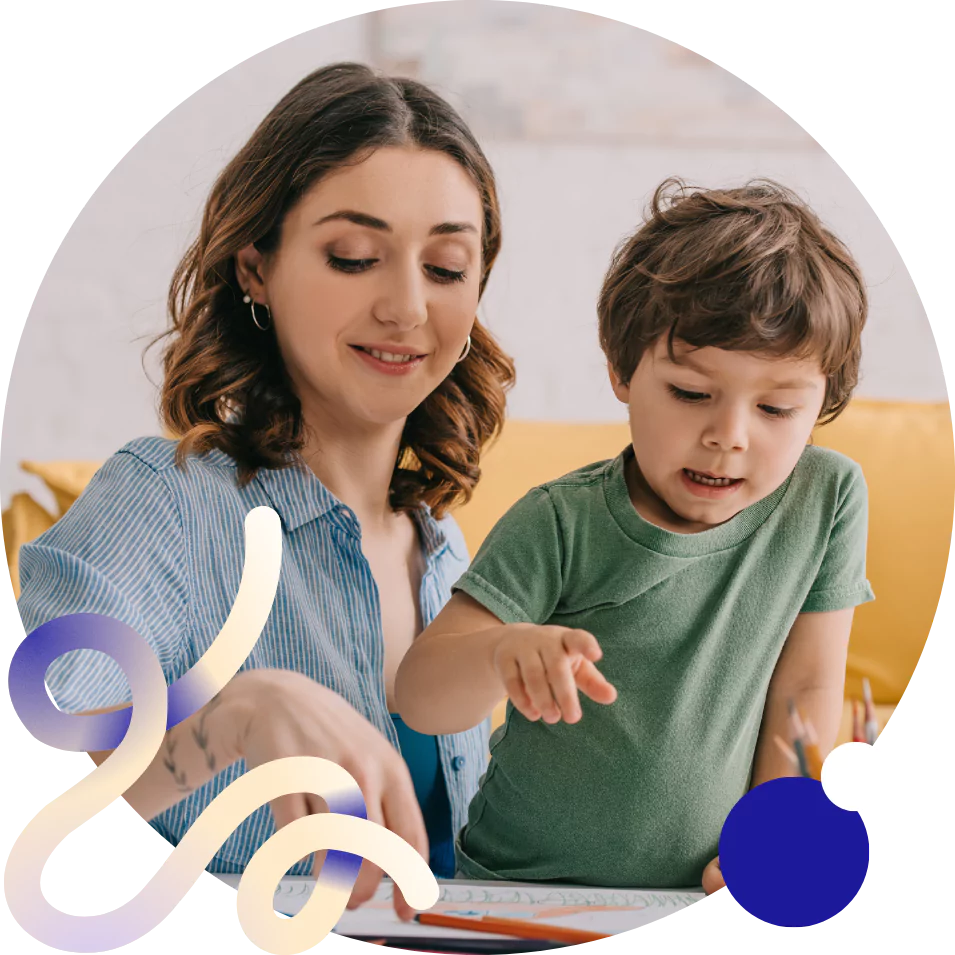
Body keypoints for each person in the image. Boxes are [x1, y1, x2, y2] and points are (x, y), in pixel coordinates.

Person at [16, 62, 515, 918]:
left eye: (445, 267)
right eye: (353, 256)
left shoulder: (446, 552)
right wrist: (241, 712)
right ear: (256, 267)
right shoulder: (165, 503)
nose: (406, 306)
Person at [395, 178, 874, 894]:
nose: (728, 437)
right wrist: (502, 653)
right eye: (690, 393)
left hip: (698, 889)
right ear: (621, 370)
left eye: (776, 407)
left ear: (822, 401)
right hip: (517, 888)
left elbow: (805, 688)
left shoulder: (826, 497)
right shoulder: (561, 520)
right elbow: (420, 696)